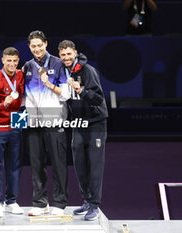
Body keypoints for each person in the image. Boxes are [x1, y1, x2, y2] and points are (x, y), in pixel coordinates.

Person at [58, 40, 108, 221]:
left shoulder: (88, 71)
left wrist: (82, 90)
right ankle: (86, 200)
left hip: (96, 123)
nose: (66, 58)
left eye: (69, 54)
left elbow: (98, 99)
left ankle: (95, 205)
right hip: (78, 123)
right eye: (63, 55)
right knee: (79, 163)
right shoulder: (64, 72)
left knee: (94, 164)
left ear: (75, 53)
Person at [23, 30, 70, 216]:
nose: (37, 48)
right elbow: (24, 95)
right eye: (33, 46)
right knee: (36, 163)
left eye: (39, 45)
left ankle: (59, 202)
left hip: (54, 119)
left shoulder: (58, 64)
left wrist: (50, 84)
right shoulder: (26, 66)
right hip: (34, 121)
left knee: (58, 163)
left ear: (46, 44)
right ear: (29, 47)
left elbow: (66, 94)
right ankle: (40, 203)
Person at [0, 47, 25, 218]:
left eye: (15, 60)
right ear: (2, 60)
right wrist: (4, 104)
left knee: (15, 165)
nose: (12, 64)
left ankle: (11, 201)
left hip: (16, 124)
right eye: (9, 60)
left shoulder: (21, 75)